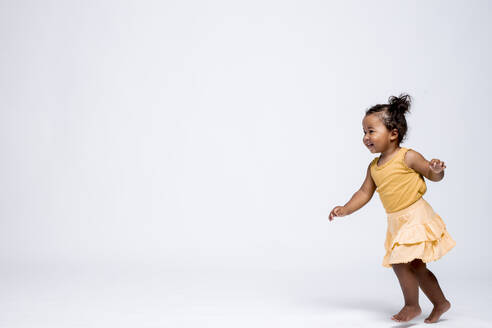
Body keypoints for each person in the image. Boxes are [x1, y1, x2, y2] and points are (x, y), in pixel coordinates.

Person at [328, 93, 456, 324]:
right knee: (416, 265)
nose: (366, 137)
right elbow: (364, 193)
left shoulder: (408, 157)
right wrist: (345, 209)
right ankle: (440, 303)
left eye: (371, 131)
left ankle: (412, 305)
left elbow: (432, 174)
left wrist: (436, 169)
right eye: (364, 132)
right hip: (397, 220)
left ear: (393, 134)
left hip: (415, 215)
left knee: (400, 262)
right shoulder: (374, 167)